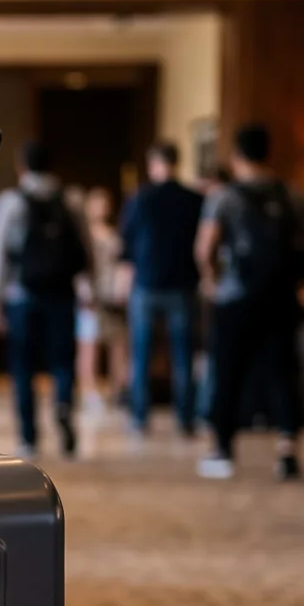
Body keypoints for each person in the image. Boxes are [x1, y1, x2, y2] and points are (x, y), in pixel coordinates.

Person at [194, 123, 304, 480]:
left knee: (228, 370)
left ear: (236, 156)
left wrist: (211, 280)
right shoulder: (292, 194)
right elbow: (303, 244)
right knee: (283, 373)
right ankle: (287, 450)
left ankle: (223, 449)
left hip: (237, 296)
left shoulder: (225, 197)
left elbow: (204, 247)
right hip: (281, 296)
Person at [0, 140, 90, 455]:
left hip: (23, 294)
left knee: (22, 365)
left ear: (22, 165)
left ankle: (28, 435)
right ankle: (63, 405)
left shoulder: (12, 201)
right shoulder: (71, 199)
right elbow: (85, 248)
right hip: (62, 293)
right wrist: (89, 286)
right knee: (63, 360)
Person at [119, 141, 204, 435]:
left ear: (154, 163)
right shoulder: (193, 199)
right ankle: (186, 419)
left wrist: (125, 282)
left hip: (146, 282)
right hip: (182, 284)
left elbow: (127, 244)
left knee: (141, 354)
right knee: (183, 356)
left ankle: (140, 418)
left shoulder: (140, 199)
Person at [78, 187, 126, 407]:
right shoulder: (84, 234)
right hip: (91, 294)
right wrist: (84, 290)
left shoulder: (115, 233)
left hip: (112, 294)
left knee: (118, 342)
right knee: (89, 344)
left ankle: (119, 388)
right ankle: (89, 389)